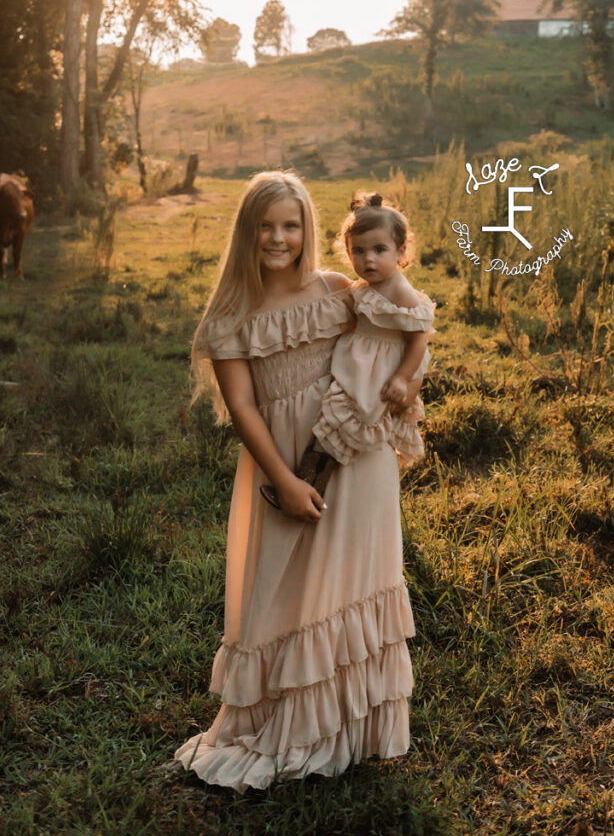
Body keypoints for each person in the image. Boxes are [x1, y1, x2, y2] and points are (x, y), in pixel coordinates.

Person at [171, 171, 418, 792]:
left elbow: (406, 325)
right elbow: (244, 409)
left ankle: (350, 729)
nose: (279, 238)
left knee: (350, 580)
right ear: (247, 232)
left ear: (308, 231)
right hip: (286, 464)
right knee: (285, 591)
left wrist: (408, 379)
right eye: (266, 226)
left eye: (291, 225)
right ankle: (283, 722)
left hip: (358, 464)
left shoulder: (339, 291)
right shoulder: (233, 315)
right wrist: (282, 479)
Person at [312, 193, 435, 470]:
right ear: (348, 252)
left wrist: (402, 378)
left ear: (400, 251)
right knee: (334, 412)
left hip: (382, 366)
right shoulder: (365, 285)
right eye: (359, 251)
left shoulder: (400, 291)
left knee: (359, 415)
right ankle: (315, 472)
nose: (369, 260)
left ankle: (325, 471)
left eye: (380, 250)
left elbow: (418, 342)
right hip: (361, 359)